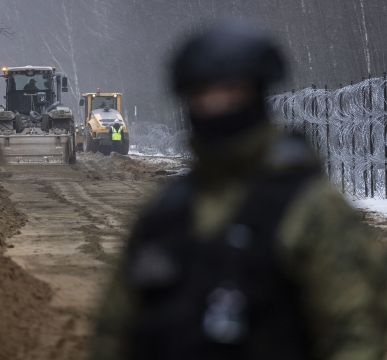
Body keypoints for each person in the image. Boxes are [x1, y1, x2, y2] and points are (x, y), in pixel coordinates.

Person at [90, 21, 387, 360]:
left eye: (231, 93)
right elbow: (116, 329)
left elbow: (355, 329)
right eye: (203, 95)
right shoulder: (166, 212)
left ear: (257, 93)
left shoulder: (311, 208)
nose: (216, 107)